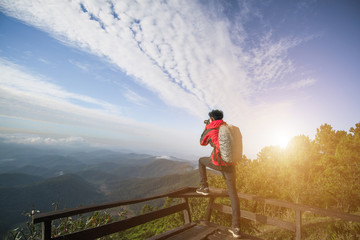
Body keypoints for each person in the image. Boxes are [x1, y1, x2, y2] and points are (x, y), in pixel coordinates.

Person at [196, 109, 241, 239]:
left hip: (219, 162)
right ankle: (236, 228)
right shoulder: (226, 127)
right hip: (231, 165)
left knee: (200, 161)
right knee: (233, 195)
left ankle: (204, 187)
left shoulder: (211, 128)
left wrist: (207, 127)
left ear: (211, 119)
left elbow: (202, 142)